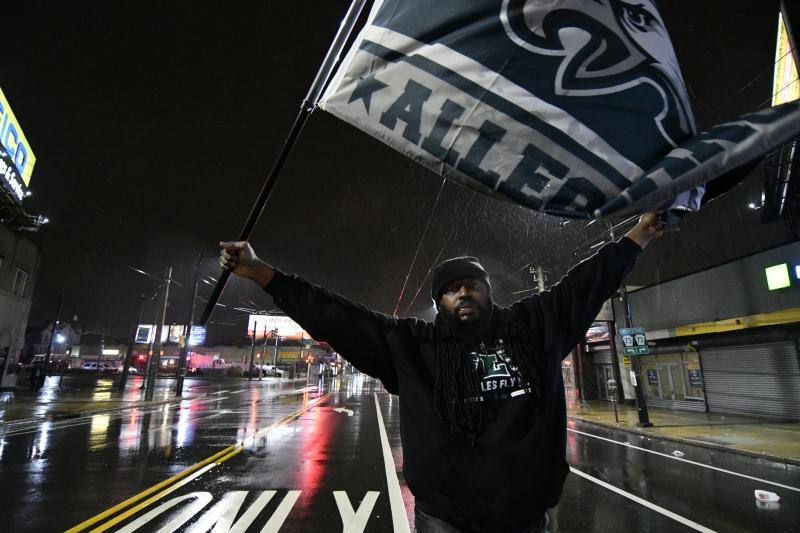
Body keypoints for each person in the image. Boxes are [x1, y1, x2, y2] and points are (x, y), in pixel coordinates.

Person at [219, 213, 664, 533]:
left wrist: (640, 234)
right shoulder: (415, 346)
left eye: (471, 284)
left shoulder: (533, 327)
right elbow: (338, 317)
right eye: (450, 289)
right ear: (439, 303)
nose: (463, 292)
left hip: (526, 517)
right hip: (445, 520)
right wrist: (262, 274)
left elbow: (588, 283)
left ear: (488, 292)